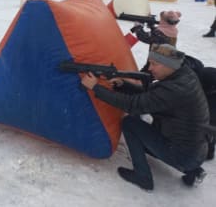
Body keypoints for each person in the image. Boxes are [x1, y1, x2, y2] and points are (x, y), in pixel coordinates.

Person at [81, 43, 210, 191]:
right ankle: (193, 170)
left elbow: (133, 105)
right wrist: (124, 85)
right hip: (196, 149)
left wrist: (95, 87)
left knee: (130, 123)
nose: (150, 68)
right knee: (144, 128)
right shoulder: (184, 74)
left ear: (169, 65)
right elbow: (153, 97)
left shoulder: (175, 89)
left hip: (182, 153)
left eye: (155, 64)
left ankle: (143, 177)